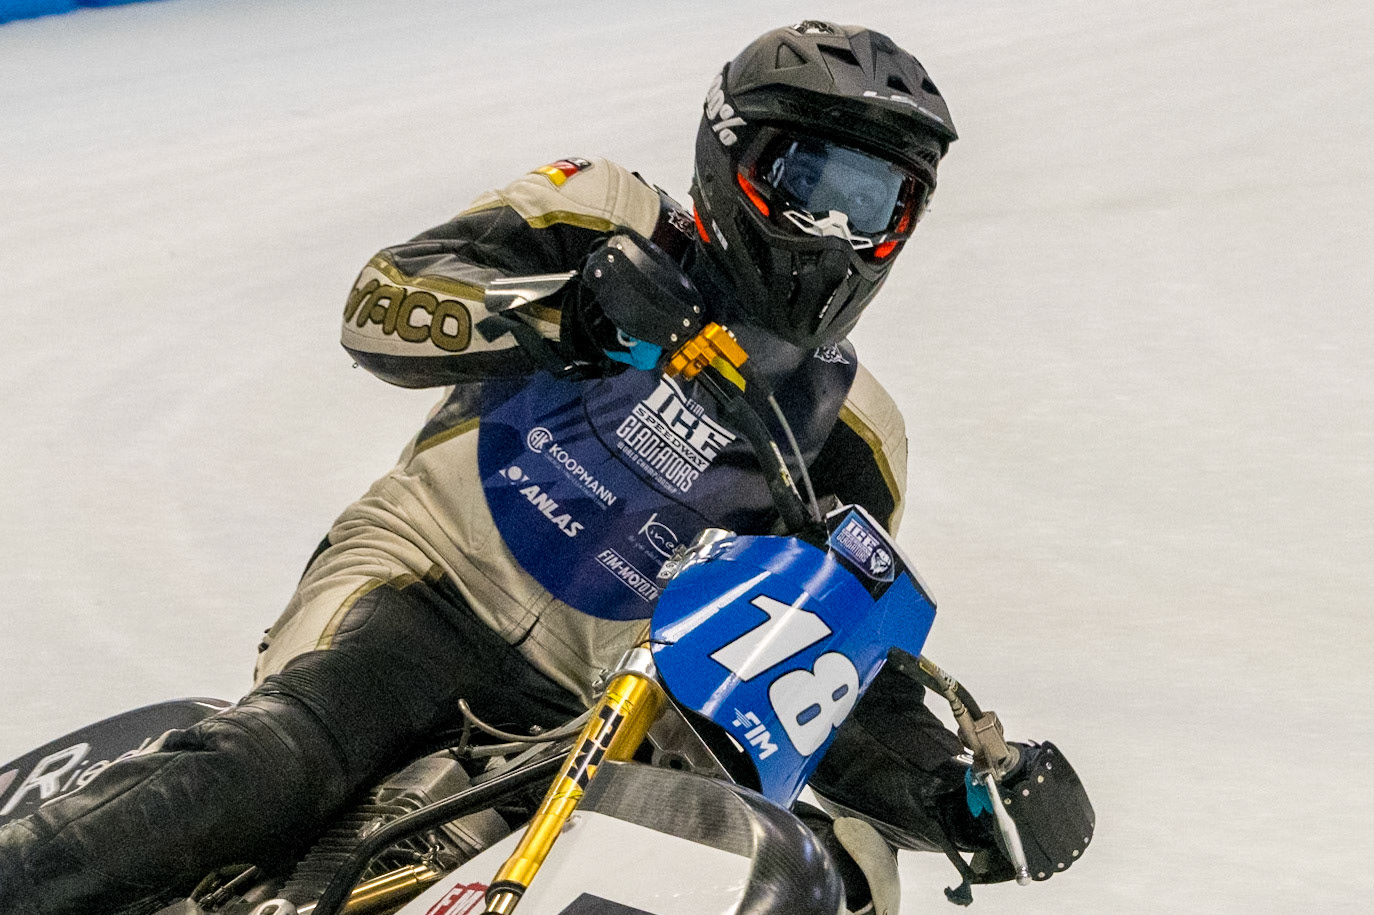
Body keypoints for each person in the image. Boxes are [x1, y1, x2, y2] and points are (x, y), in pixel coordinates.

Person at [0, 21, 1092, 915]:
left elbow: (826, 663)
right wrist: (568, 310)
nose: (835, 234)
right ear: (731, 155)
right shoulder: (602, 209)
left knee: (830, 873)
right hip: (423, 579)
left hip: (591, 714)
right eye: (809, 182)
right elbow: (382, 305)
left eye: (873, 204)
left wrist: (959, 794)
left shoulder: (860, 433)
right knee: (275, 764)